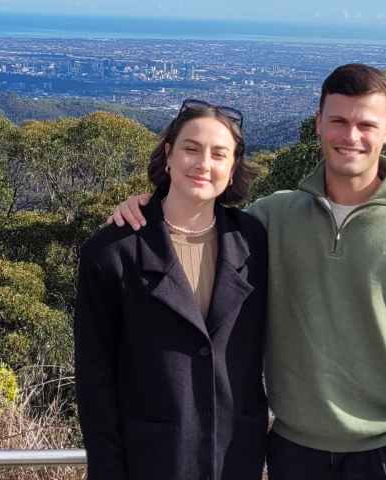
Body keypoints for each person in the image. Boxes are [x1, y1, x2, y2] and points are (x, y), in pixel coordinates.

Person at [108, 64, 386, 480]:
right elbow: (198, 218)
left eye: (366, 125)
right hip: (290, 451)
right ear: (318, 123)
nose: (351, 136)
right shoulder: (272, 217)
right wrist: (146, 205)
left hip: (383, 454)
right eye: (338, 121)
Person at [74, 99, 269, 480]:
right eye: (191, 149)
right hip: (149, 459)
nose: (203, 164)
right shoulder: (113, 251)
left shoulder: (255, 241)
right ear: (168, 155)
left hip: (235, 457)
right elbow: (95, 382)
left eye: (219, 154)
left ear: (233, 169)